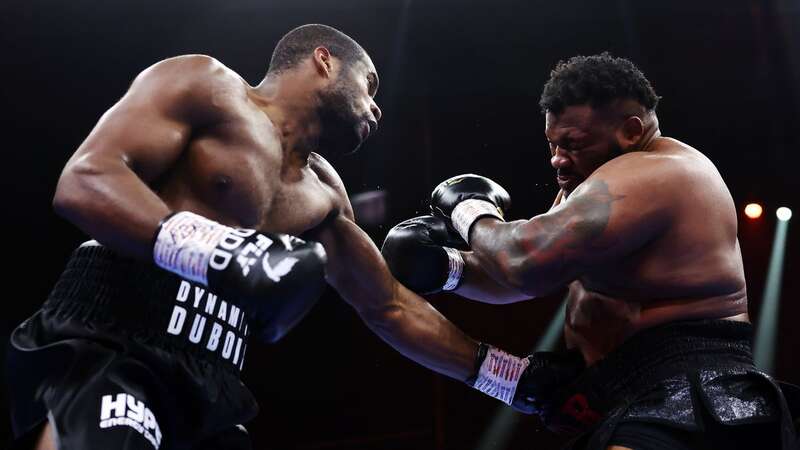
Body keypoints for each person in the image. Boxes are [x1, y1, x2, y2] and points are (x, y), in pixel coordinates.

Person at [7, 23, 574, 450]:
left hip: (211, 377)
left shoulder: (324, 192)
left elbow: (390, 307)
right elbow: (84, 180)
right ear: (323, 61)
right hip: (115, 331)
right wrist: (216, 248)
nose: (376, 106)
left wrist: (511, 378)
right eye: (370, 84)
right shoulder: (205, 85)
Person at [381, 53, 800, 449]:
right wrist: (445, 268)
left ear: (632, 131)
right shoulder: (592, 182)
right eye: (552, 144)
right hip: (626, 388)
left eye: (573, 143)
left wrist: (469, 210)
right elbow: (516, 280)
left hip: (692, 383)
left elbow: (523, 262)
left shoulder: (659, 172)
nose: (557, 160)